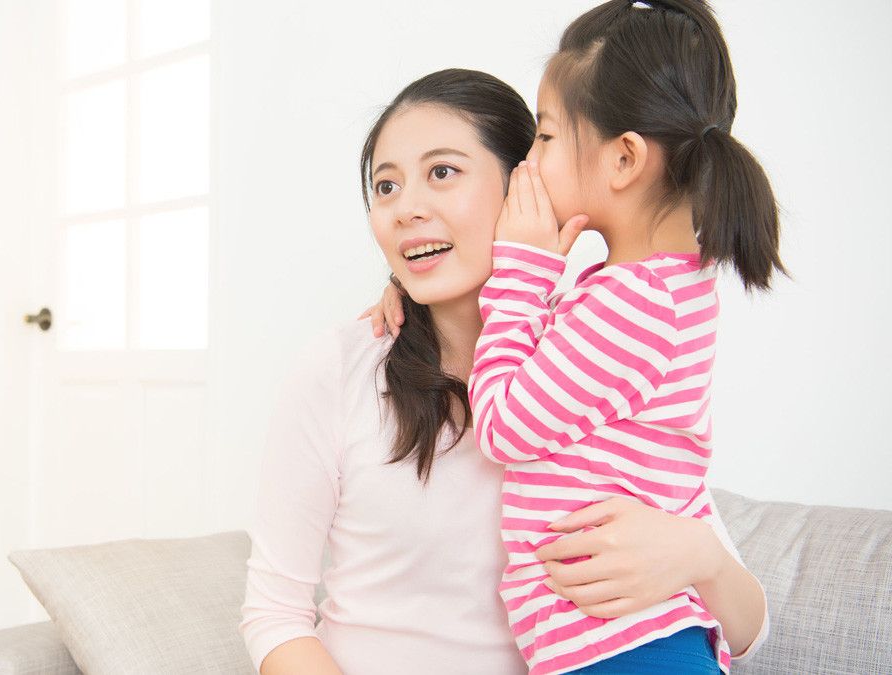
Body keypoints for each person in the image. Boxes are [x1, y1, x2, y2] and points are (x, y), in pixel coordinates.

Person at [241, 66, 767, 675]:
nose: (406, 208)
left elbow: (751, 631)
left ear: (527, 183)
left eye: (442, 173)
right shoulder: (341, 369)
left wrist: (702, 557)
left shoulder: (597, 351)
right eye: (385, 187)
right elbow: (274, 613)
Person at [361, 1, 780, 672]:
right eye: (386, 185)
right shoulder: (645, 293)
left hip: (633, 650)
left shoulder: (635, 305)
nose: (531, 163)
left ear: (622, 160)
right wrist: (410, 289)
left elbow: (502, 425)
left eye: (547, 137)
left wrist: (524, 272)